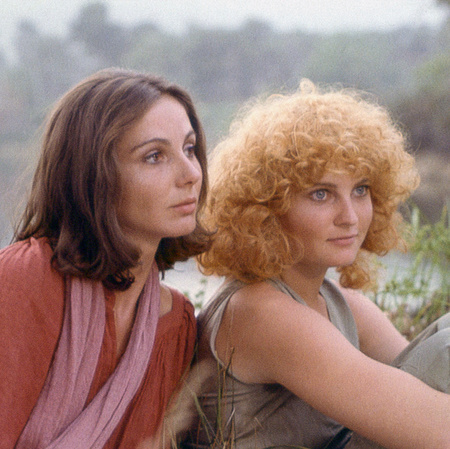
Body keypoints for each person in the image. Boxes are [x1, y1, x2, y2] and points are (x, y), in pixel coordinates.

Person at [183, 80, 450, 449]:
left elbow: (428, 382)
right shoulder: (259, 312)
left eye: (361, 190)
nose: (350, 217)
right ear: (266, 209)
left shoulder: (339, 302)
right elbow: (438, 427)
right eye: (321, 194)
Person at [0, 68, 211, 449]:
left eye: (190, 149)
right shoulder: (25, 279)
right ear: (94, 175)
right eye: (154, 157)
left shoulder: (176, 323)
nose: (190, 174)